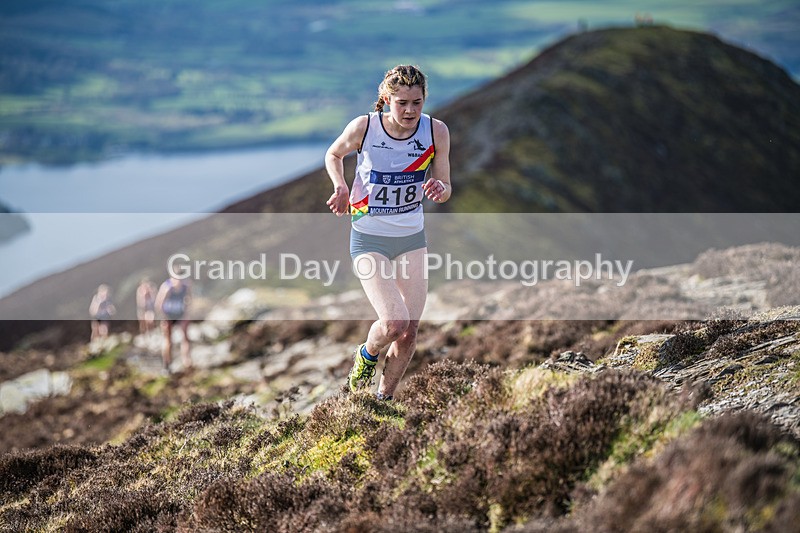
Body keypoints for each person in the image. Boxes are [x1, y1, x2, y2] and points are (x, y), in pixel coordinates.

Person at [325, 64, 452, 400]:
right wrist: (340, 187)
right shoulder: (365, 127)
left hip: (411, 237)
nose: (410, 110)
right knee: (393, 324)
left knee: (409, 332)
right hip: (369, 237)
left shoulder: (435, 131)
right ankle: (367, 355)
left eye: (417, 102)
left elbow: (446, 183)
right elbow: (334, 154)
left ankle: (384, 399)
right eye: (402, 103)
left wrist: (440, 189)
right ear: (386, 99)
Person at [155, 275, 192, 373]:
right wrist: (163, 317)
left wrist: (186, 313)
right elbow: (159, 303)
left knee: (185, 338)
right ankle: (167, 364)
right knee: (168, 340)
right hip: (168, 315)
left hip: (180, 314)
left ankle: (186, 362)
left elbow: (189, 300)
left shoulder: (186, 286)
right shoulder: (167, 287)